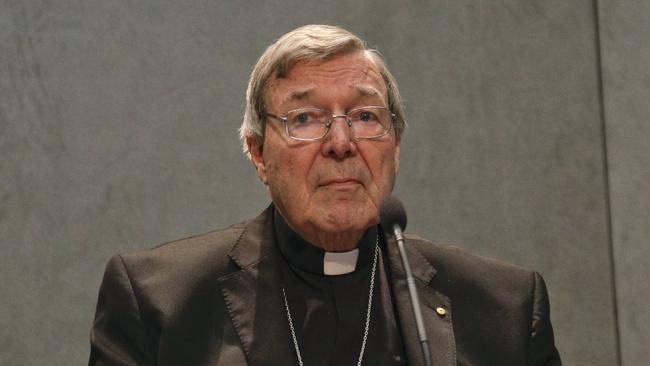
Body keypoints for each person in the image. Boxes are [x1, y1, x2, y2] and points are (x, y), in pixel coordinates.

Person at [89, 24, 561, 366]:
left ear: (395, 146)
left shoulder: (505, 309)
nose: (341, 143)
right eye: (306, 119)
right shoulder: (159, 303)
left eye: (365, 116)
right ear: (257, 153)